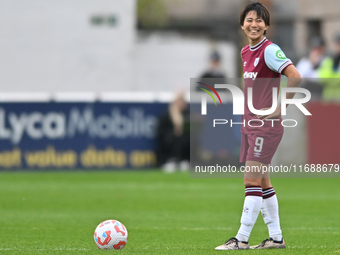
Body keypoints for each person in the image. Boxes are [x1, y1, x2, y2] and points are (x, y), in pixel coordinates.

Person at [215, 1, 301, 250]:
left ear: (266, 26)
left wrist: (280, 108)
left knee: (250, 180)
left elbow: (295, 76)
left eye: (259, 20)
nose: (254, 24)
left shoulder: (269, 50)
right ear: (242, 24)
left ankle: (241, 240)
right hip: (251, 125)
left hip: (266, 126)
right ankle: (276, 238)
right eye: (249, 20)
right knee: (262, 182)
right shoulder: (245, 52)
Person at [155, 91, 190, 172]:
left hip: (185, 142)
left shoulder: (188, 115)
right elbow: (160, 133)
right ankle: (171, 160)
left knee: (185, 139)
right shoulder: (166, 115)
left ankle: (183, 160)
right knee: (174, 138)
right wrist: (174, 132)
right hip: (169, 142)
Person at [318, 34, 340, 101]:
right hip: (328, 101)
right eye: (338, 44)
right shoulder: (328, 61)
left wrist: (331, 77)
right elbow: (322, 78)